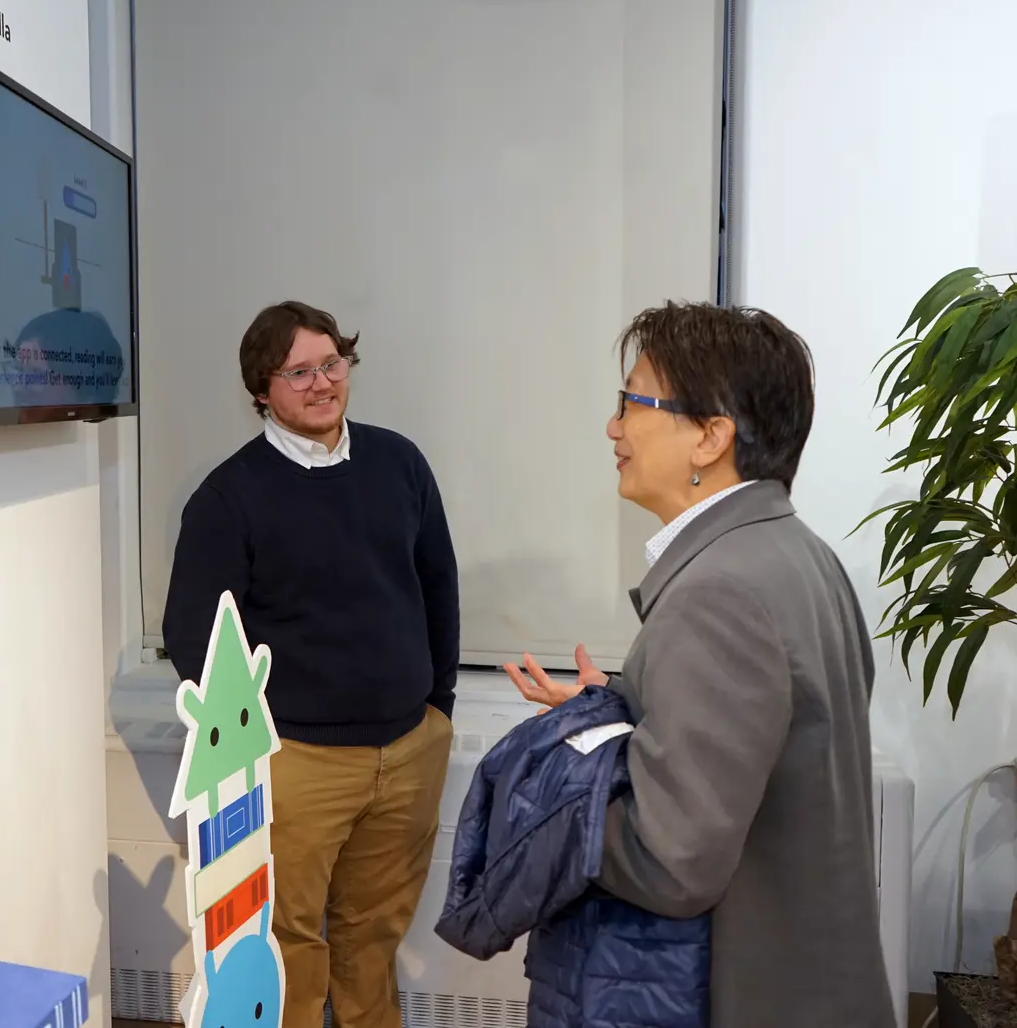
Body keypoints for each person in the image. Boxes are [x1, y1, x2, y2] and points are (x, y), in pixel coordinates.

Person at [504, 301, 893, 1028]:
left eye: (632, 402)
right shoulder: (798, 553)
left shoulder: (719, 589)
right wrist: (621, 706)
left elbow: (671, 859)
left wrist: (556, 800)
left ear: (711, 437)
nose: (614, 427)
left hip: (744, 992)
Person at [162, 301, 459, 1028]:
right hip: (295, 762)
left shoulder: (399, 463)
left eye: (332, 363)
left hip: (407, 750)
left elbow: (438, 587)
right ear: (261, 389)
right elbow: (195, 639)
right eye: (299, 372)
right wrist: (255, 752)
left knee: (373, 939)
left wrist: (438, 706)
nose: (322, 382)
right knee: (286, 949)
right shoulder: (228, 498)